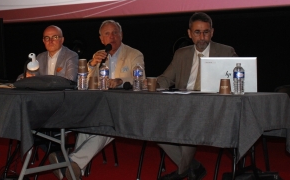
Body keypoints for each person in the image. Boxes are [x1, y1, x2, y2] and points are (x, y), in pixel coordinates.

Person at [49, 20, 145, 180]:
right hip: (100, 107)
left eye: (115, 33)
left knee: (108, 125)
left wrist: (120, 81)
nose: (112, 37)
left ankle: (70, 163)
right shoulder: (100, 56)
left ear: (121, 35)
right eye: (107, 34)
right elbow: (84, 83)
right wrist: (93, 64)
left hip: (124, 108)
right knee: (87, 125)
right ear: (101, 39)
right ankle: (74, 168)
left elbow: (140, 78)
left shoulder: (134, 54)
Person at [157, 12, 237, 180]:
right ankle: (193, 167)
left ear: (212, 32)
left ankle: (181, 173)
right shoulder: (181, 54)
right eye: (197, 32)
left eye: (206, 32)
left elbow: (238, 83)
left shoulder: (226, 52)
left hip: (212, 108)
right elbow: (165, 79)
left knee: (189, 127)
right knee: (154, 128)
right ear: (189, 33)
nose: (202, 37)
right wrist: (152, 84)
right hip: (182, 105)